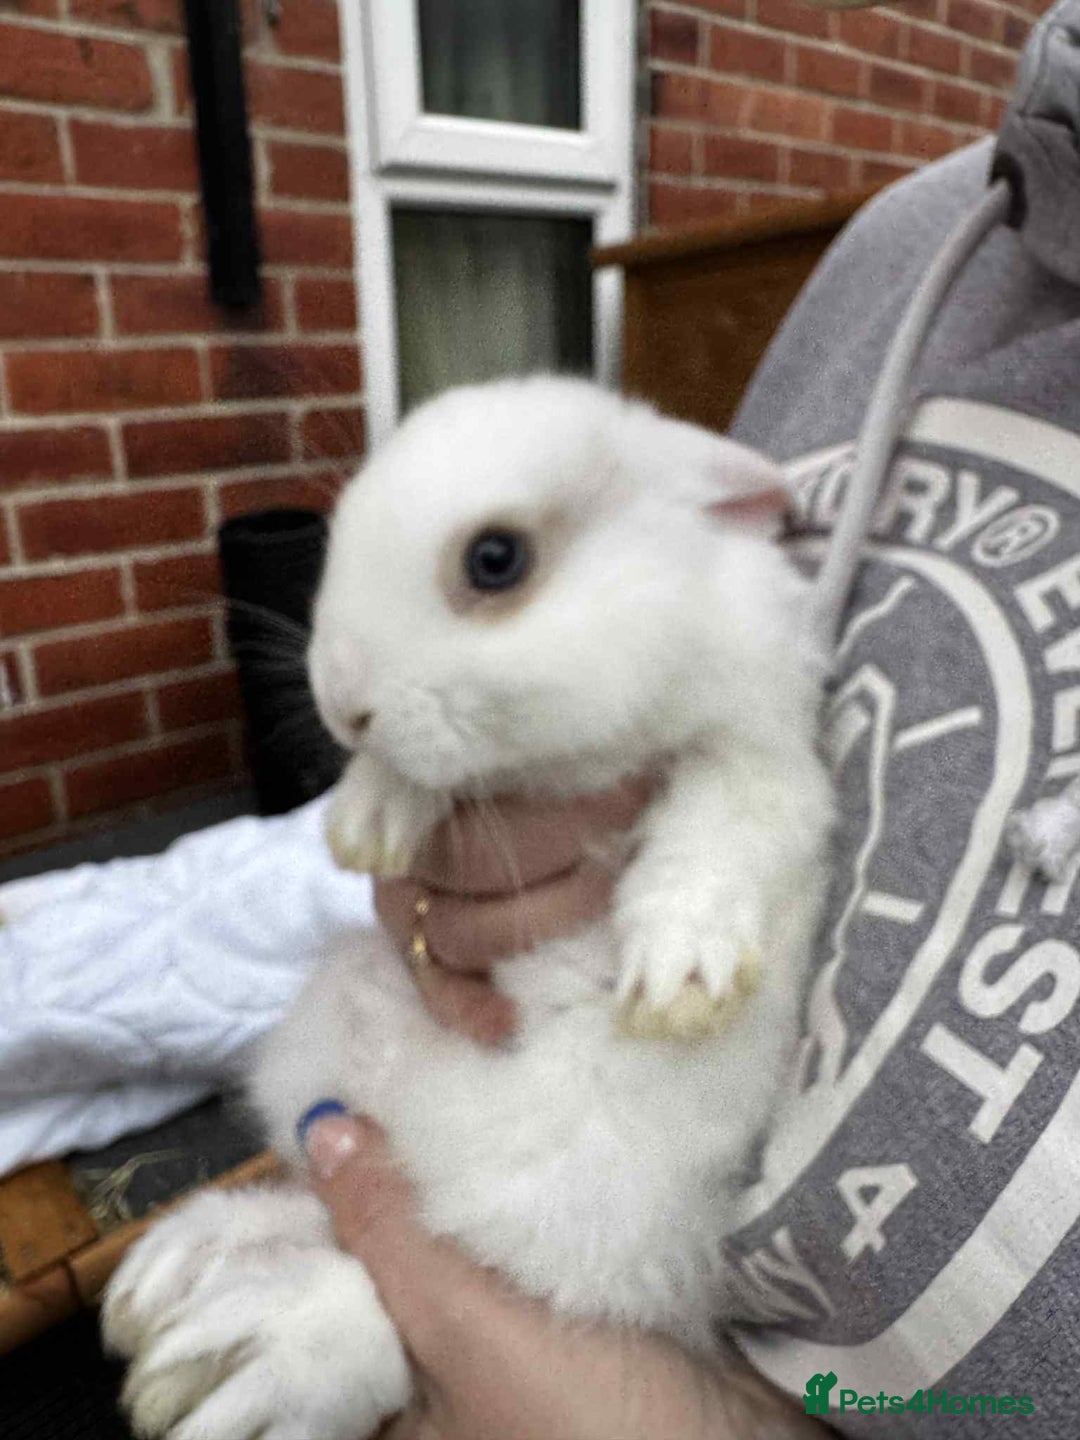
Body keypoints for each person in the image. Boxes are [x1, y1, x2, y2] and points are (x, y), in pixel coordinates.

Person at [302, 0, 1080, 1433]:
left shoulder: (709, 599)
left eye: (492, 567)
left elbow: (750, 765)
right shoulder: (914, 239)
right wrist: (434, 846)